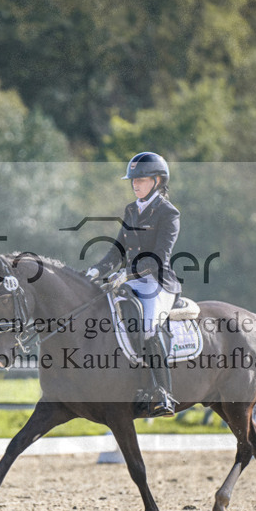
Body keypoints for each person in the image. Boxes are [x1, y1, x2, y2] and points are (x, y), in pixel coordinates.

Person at [85, 152, 181, 417]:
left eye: (140, 179)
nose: (134, 184)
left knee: (148, 327)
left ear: (157, 181)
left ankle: (164, 393)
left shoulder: (169, 213)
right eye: (133, 180)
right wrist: (95, 270)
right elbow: (117, 250)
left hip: (157, 282)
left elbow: (159, 258)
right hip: (129, 279)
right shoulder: (131, 210)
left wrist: (127, 274)